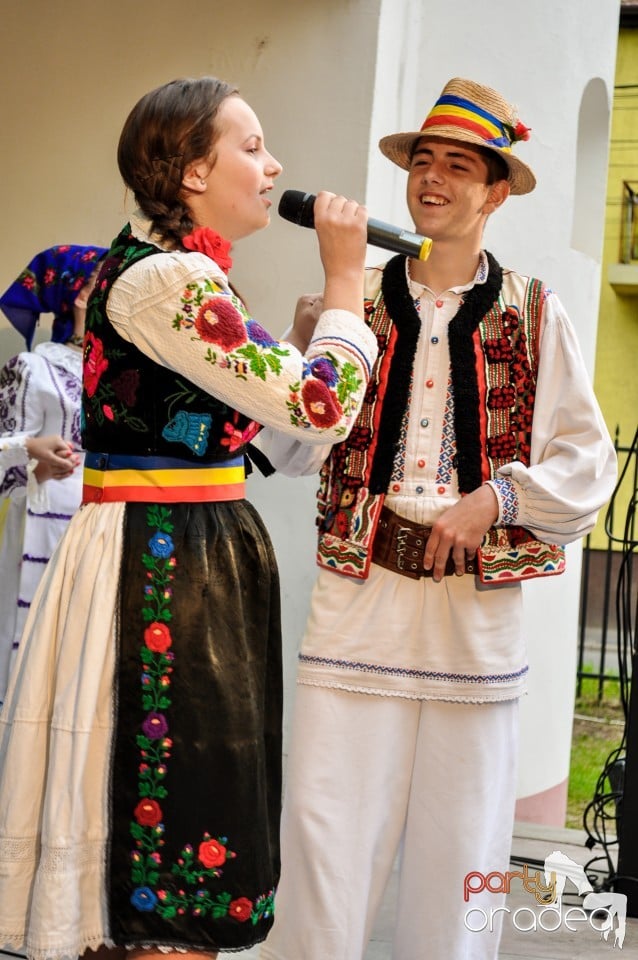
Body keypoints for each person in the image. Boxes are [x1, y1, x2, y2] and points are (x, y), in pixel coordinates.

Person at [0, 76, 378, 960]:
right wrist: (349, 280)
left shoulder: (173, 276)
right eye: (251, 147)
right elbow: (322, 409)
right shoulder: (168, 279)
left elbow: (256, 430)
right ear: (192, 171)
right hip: (160, 564)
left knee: (184, 798)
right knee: (169, 810)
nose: (274, 164)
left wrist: (292, 345)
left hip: (189, 551)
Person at [257, 77, 618, 960]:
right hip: (361, 593)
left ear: (496, 192)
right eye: (424, 160)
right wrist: (313, 342)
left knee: (466, 850)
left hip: (474, 609)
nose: (435, 178)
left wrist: (497, 497)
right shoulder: (354, 303)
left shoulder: (538, 311)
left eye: (461, 166)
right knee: (324, 831)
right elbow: (292, 449)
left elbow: (588, 461)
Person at [0, 244, 106, 705]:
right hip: (42, 531)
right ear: (78, 296)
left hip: (103, 531)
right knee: (33, 661)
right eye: (103, 281)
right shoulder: (35, 368)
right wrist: (31, 454)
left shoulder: (124, 376)